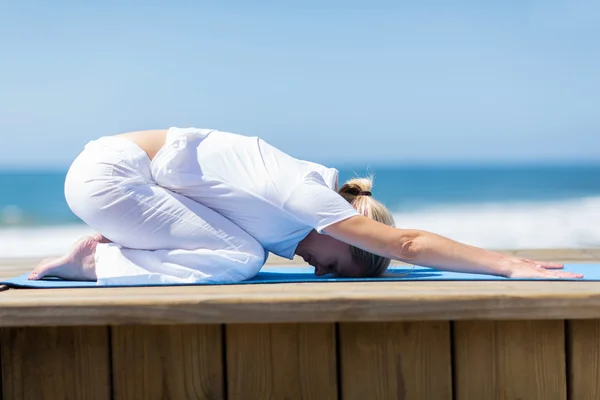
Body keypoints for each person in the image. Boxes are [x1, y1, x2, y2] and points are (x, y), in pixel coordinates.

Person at [28, 127, 583, 284]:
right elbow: (410, 245)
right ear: (351, 234)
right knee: (240, 260)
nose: (317, 269)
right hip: (110, 177)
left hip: (116, 179)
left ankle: (105, 255)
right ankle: (92, 263)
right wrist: (508, 264)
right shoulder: (307, 197)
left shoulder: (283, 212)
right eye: (333, 264)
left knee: (242, 253)